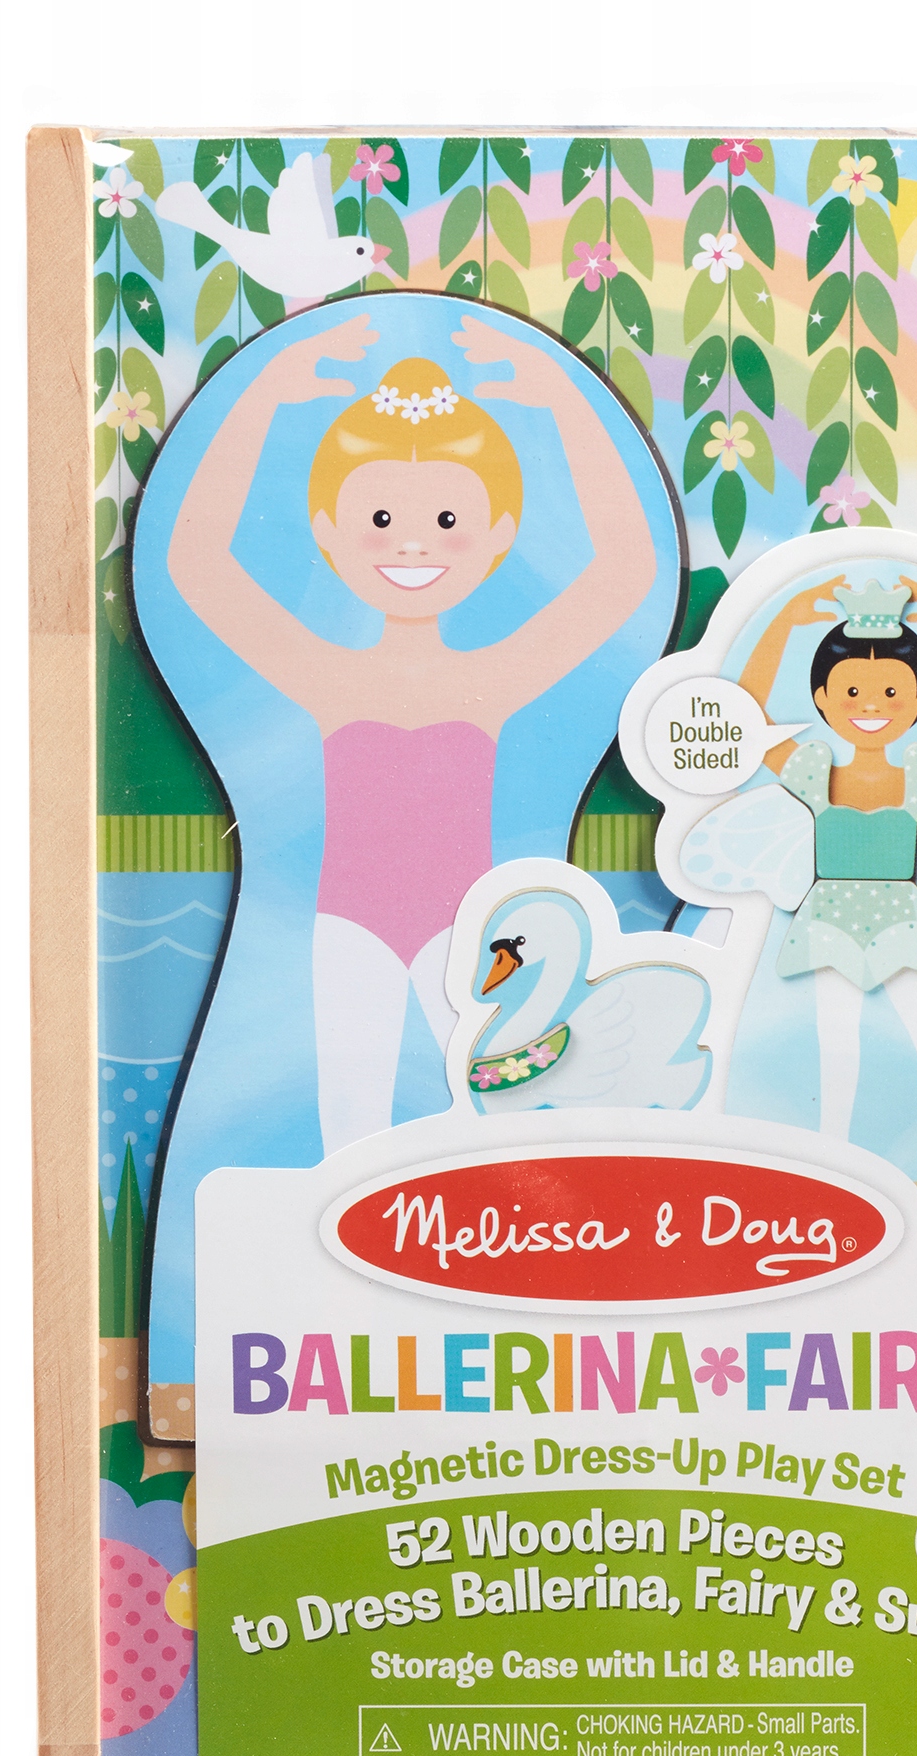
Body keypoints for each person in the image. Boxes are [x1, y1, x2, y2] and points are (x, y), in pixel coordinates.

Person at [168, 311, 659, 1153]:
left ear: (498, 538)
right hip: (349, 927)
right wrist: (258, 398)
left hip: (466, 931)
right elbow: (197, 564)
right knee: (349, 1126)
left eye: (446, 524)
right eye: (381, 522)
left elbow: (625, 573)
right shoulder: (332, 679)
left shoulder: (485, 681)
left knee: (488, 1127)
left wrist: (568, 403)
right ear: (328, 535)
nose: (411, 548)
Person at [734, 575, 917, 1189]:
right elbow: (747, 718)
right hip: (829, 920)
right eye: (852, 691)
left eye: (890, 692)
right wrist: (783, 622)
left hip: (903, 920)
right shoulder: (810, 768)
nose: (870, 706)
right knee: (836, 1044)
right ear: (822, 699)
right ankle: (833, 1161)